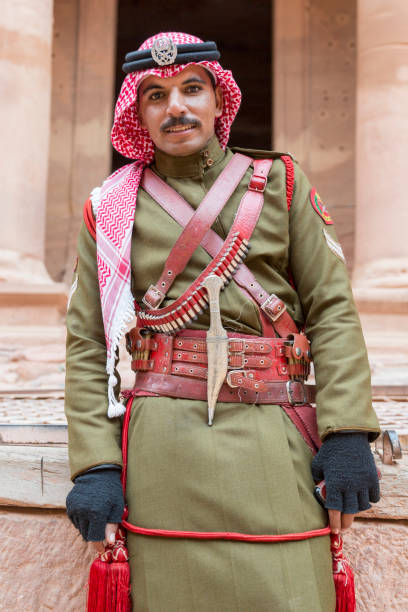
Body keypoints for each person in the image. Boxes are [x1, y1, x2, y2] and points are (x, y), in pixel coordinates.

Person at [65, 31, 381, 612]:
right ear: (138, 111)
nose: (176, 107)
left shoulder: (282, 184)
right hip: (161, 453)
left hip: (276, 437)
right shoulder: (109, 208)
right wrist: (96, 467)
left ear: (219, 100)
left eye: (191, 89)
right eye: (155, 95)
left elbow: (332, 309)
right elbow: (88, 344)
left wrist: (346, 435)